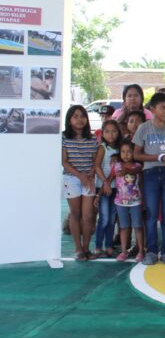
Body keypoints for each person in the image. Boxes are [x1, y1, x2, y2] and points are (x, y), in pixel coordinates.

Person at [133, 92, 165, 266]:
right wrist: (157, 158)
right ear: (152, 109)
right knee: (152, 214)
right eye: (162, 107)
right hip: (150, 174)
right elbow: (136, 154)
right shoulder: (144, 128)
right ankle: (152, 251)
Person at [62, 105, 99, 262]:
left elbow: (95, 161)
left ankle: (86, 247)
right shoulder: (64, 137)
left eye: (82, 116)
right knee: (75, 214)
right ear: (69, 120)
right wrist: (80, 176)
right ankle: (78, 249)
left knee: (88, 215)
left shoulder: (92, 139)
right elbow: (64, 161)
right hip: (71, 179)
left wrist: (89, 175)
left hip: (88, 179)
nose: (79, 119)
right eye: (75, 116)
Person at [93, 120, 121, 259]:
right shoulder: (102, 148)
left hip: (117, 188)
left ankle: (109, 246)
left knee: (111, 220)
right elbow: (97, 166)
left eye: (114, 131)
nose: (111, 134)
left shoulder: (120, 149)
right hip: (103, 188)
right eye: (107, 131)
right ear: (103, 133)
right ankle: (98, 247)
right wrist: (105, 182)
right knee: (103, 219)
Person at [113, 140, 145, 263]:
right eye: (123, 152)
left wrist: (127, 171)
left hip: (135, 202)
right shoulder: (116, 166)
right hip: (120, 202)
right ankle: (124, 251)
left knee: (137, 226)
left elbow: (136, 172)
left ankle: (141, 251)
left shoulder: (137, 166)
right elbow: (111, 177)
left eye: (129, 152)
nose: (126, 154)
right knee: (124, 227)